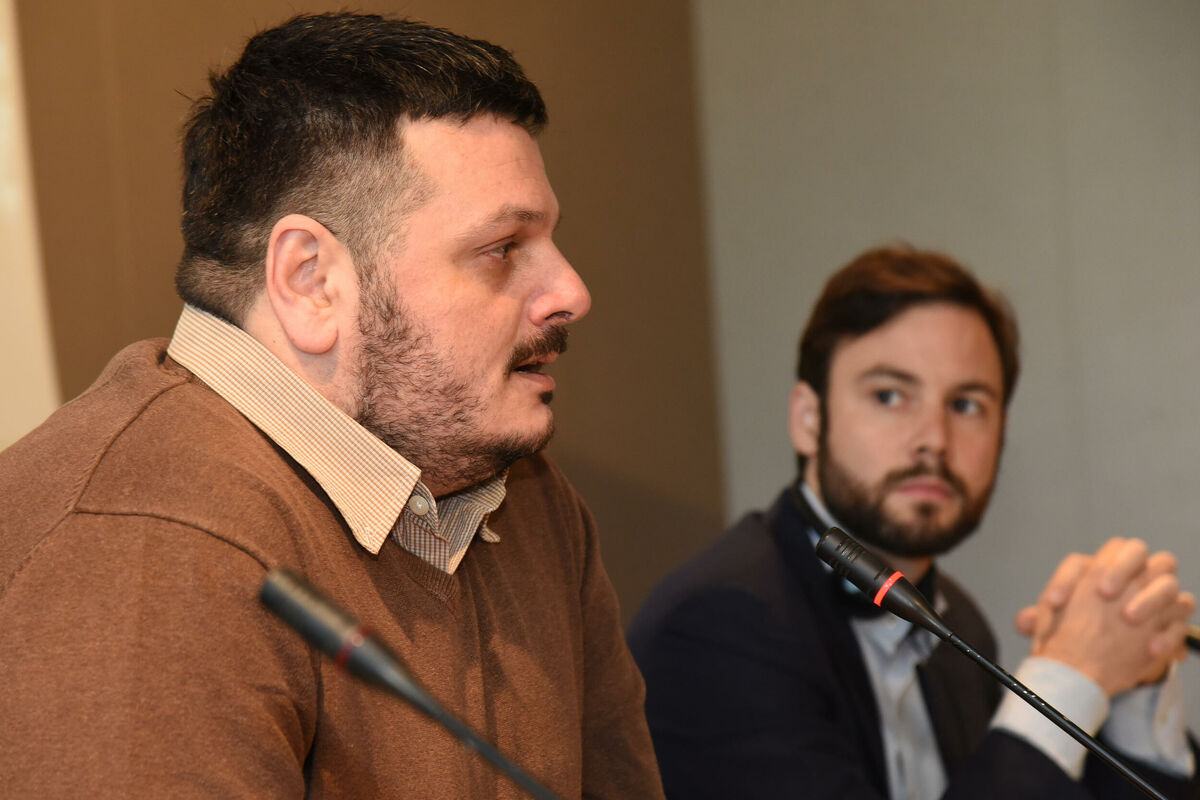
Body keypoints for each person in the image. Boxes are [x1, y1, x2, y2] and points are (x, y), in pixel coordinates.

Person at [0, 13, 664, 799]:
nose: (571, 292)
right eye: (502, 249)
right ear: (311, 281)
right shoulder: (140, 544)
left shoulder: (528, 505)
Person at [628, 245, 1198, 799]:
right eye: (889, 396)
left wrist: (1131, 675)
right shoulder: (718, 624)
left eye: (966, 405)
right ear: (808, 419)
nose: (934, 440)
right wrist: (1069, 675)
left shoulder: (959, 623)